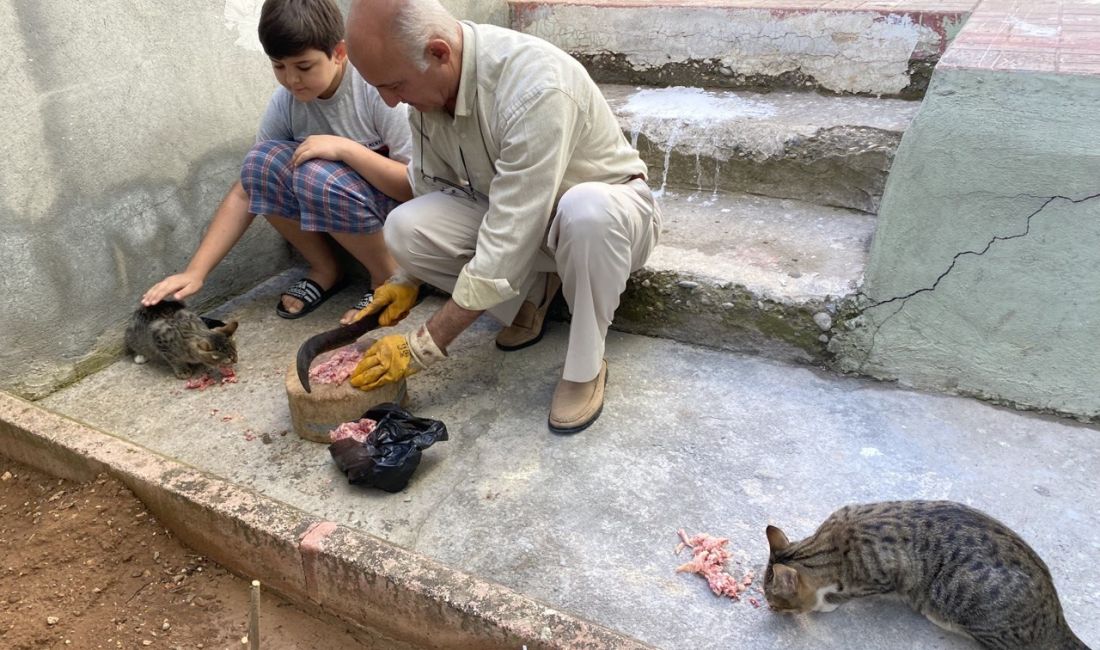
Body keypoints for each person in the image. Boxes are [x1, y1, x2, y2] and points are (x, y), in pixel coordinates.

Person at [342, 0, 662, 434]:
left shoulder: (535, 86)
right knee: (405, 228)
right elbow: (435, 190)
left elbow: (506, 242)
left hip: (612, 219)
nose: (390, 100)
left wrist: (425, 345)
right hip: (523, 221)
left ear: (439, 53)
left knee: (586, 212)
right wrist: (405, 279)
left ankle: (585, 365)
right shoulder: (429, 91)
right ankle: (535, 289)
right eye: (378, 87)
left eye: (394, 84)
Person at [142, 0, 413, 324]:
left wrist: (346, 149)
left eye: (304, 66)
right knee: (260, 163)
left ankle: (389, 278)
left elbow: (414, 185)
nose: (291, 80)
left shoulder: (373, 87)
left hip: (399, 213)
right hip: (345, 204)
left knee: (316, 174)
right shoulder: (287, 102)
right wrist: (196, 271)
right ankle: (326, 268)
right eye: (279, 66)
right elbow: (247, 190)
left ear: (339, 53)